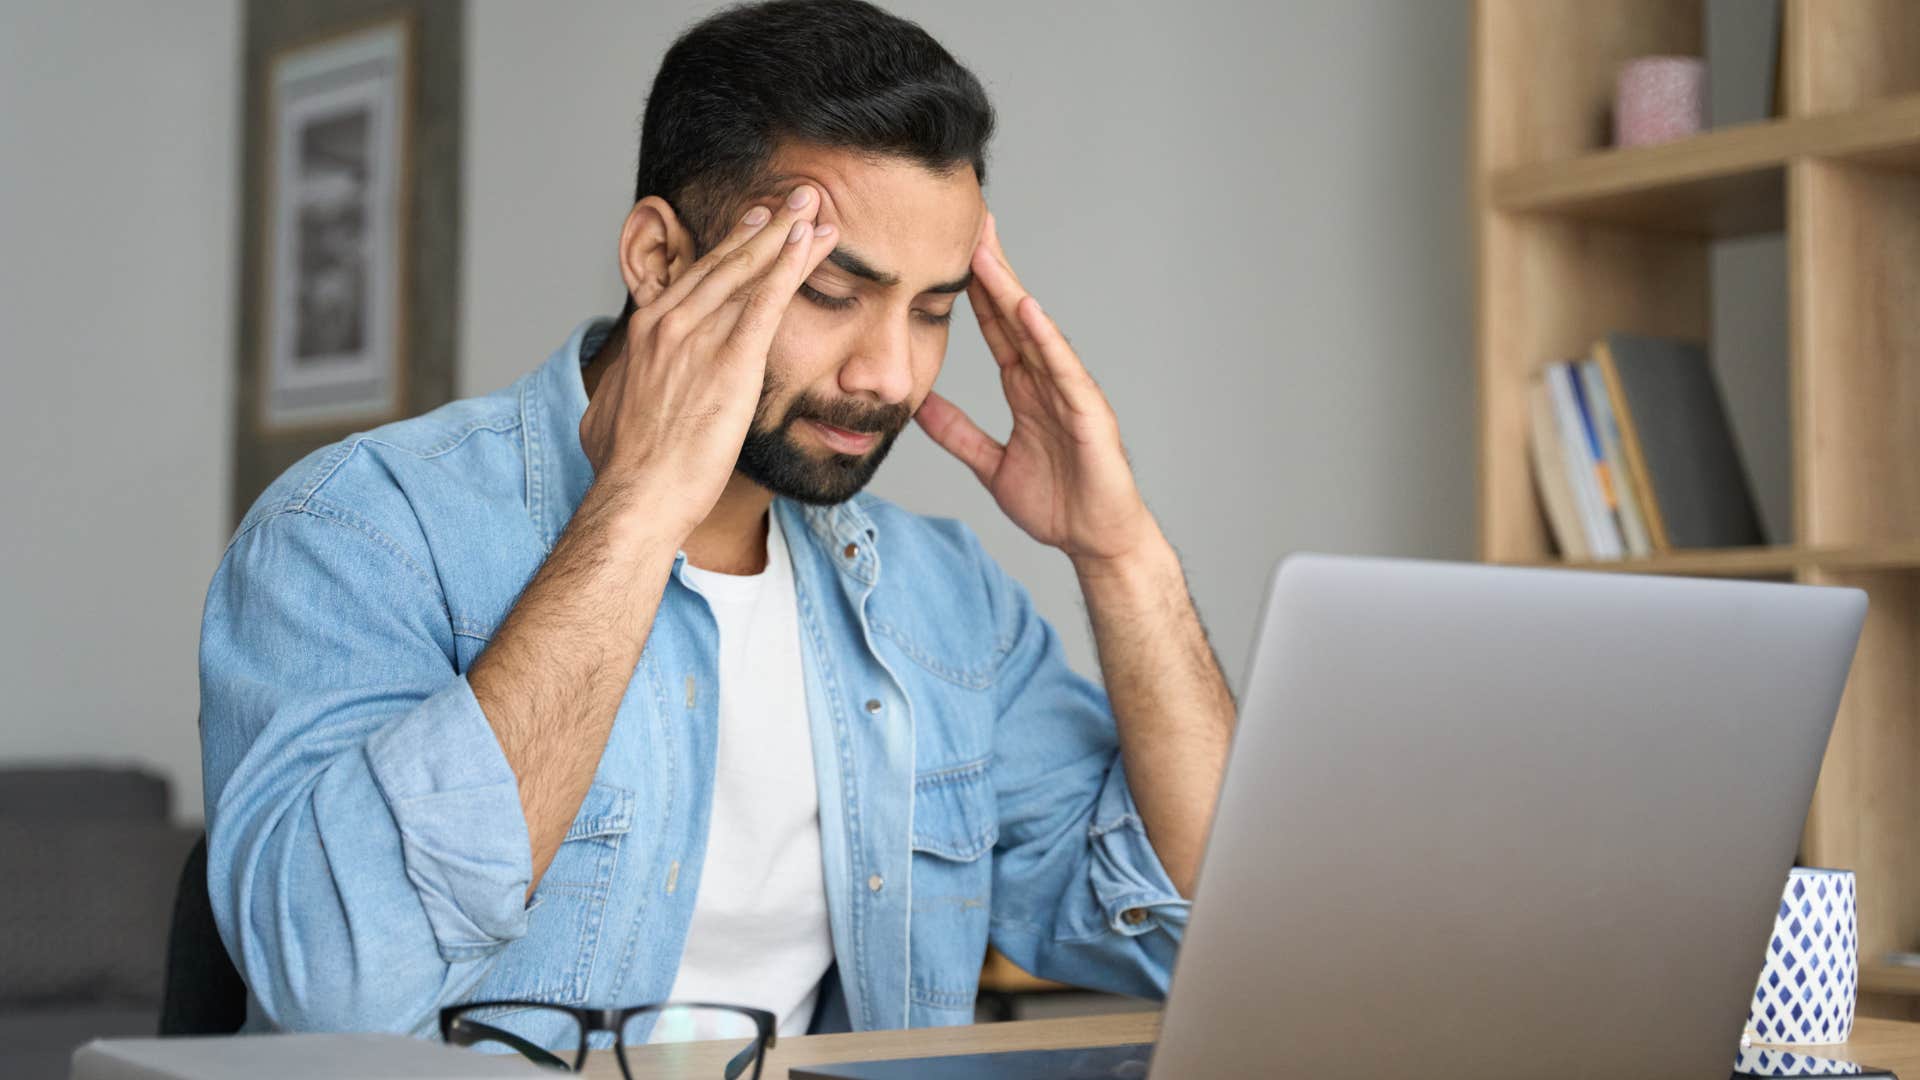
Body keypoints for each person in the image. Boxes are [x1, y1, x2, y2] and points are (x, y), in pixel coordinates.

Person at [198, 0, 1234, 1047]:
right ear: (657, 260)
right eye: (830, 291)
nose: (888, 375)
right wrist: (642, 508)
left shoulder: (946, 603)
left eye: (932, 312)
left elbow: (1205, 940)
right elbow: (333, 987)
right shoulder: (362, 529)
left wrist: (1122, 556)